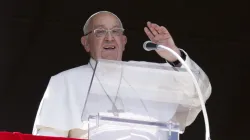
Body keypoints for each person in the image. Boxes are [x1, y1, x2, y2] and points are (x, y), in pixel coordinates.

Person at [32, 11, 212, 139]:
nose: (109, 38)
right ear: (86, 43)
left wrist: (173, 55)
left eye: (116, 32)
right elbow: (49, 137)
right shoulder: (65, 82)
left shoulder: (151, 75)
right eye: (100, 32)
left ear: (123, 41)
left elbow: (199, 92)